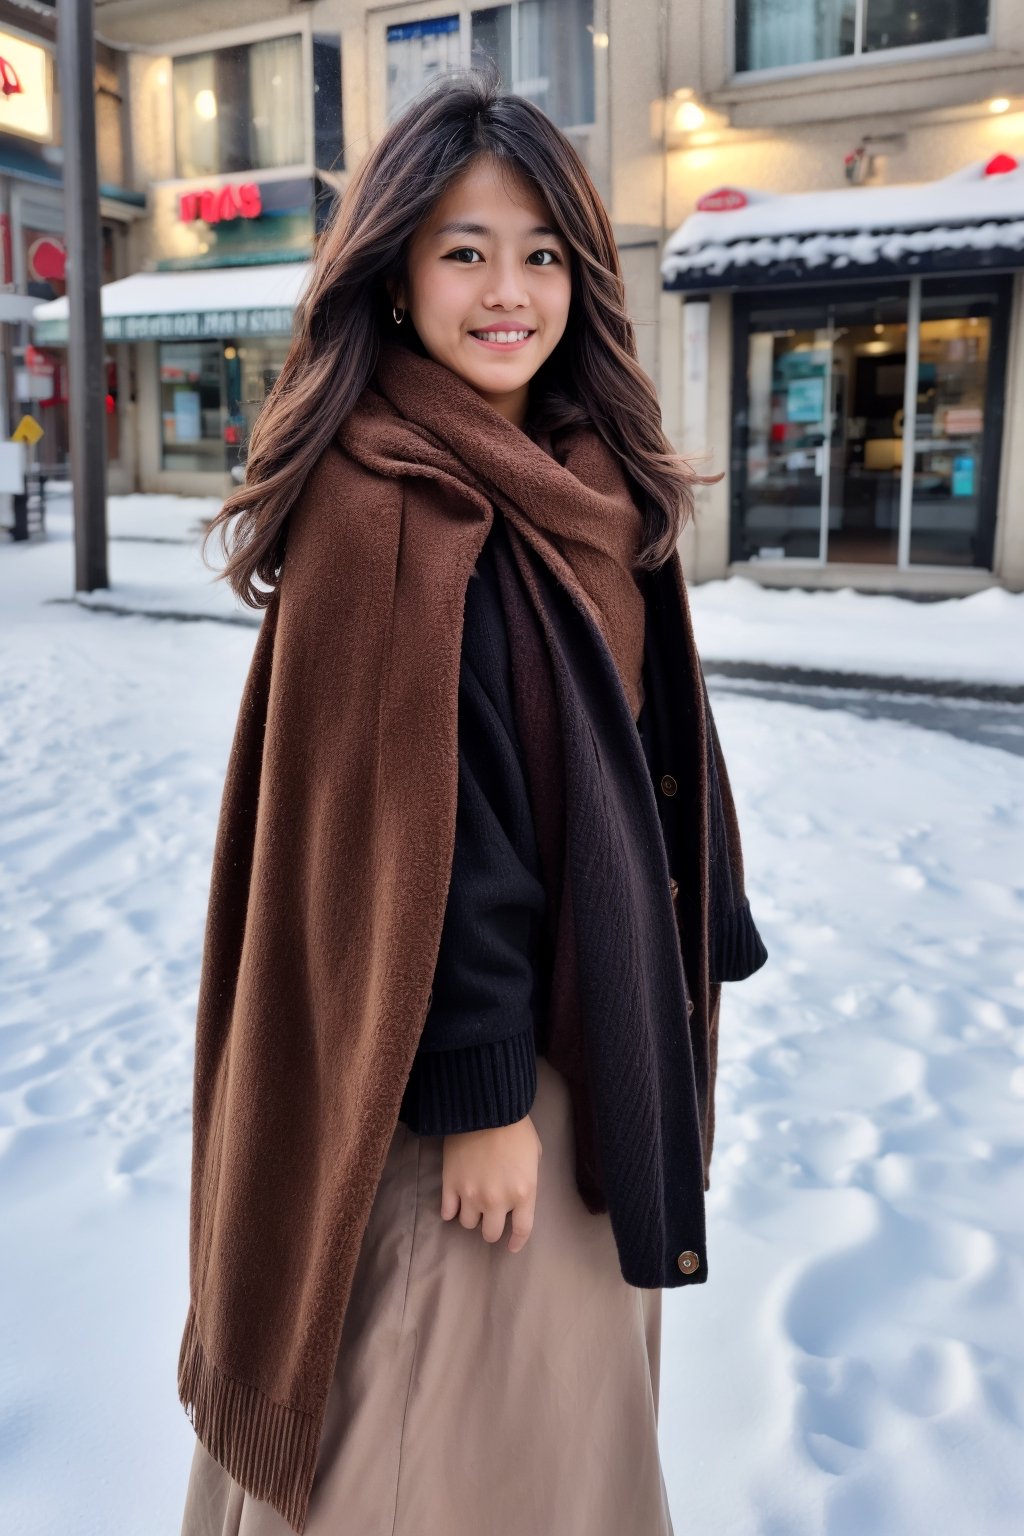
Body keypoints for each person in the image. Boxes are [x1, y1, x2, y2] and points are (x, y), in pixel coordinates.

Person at [177, 59, 768, 1536]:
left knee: (551, 1442)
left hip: (586, 1037)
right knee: (443, 1447)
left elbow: (635, 741)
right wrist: (481, 1093)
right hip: (469, 1091)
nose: (510, 291)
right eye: (464, 252)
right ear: (393, 279)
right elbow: (410, 831)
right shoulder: (388, 498)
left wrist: (707, 911)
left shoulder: (576, 476)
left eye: (543, 254)